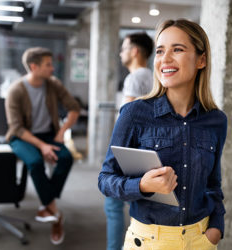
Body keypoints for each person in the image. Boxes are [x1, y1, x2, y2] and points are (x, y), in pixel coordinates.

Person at [98, 19, 227, 250]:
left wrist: (216, 229)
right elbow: (105, 180)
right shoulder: (134, 113)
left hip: (201, 240)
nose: (165, 59)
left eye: (177, 49)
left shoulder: (216, 120)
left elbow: (213, 184)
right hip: (148, 241)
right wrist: (142, 185)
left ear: (201, 60)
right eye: (160, 51)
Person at [5, 47, 80, 245]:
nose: (52, 68)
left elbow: (74, 108)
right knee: (35, 162)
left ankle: (47, 205)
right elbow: (17, 128)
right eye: (48, 65)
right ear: (33, 67)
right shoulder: (15, 90)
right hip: (21, 137)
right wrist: (42, 146)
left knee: (66, 158)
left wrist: (61, 132)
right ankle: (54, 211)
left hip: (49, 134)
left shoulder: (53, 84)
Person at [105, 32, 154, 250]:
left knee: (113, 203)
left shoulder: (135, 78)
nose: (120, 53)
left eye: (123, 48)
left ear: (135, 51)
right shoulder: (152, 76)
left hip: (130, 152)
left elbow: (124, 122)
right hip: (145, 148)